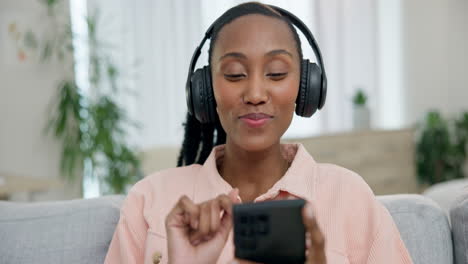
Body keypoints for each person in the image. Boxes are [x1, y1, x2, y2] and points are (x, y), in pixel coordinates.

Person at [104, 2, 413, 264]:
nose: (254, 93)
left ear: (307, 87)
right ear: (205, 90)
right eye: (234, 74)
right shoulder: (150, 201)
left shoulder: (348, 196)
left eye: (276, 73)